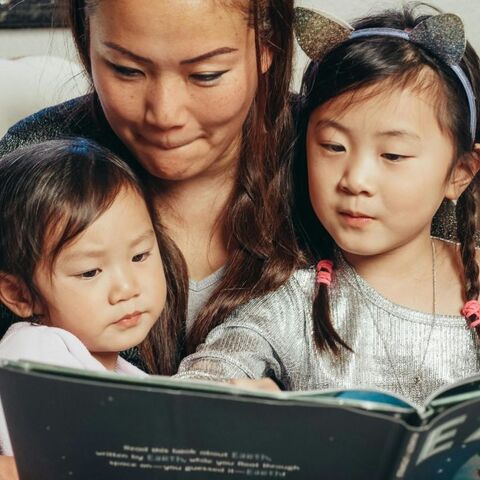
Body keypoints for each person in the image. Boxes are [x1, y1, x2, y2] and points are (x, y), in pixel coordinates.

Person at [176, 5, 480, 406]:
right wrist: (235, 395)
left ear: (459, 173)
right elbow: (202, 377)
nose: (355, 179)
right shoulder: (293, 305)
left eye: (393, 155)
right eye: (333, 147)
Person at [0, 0, 300, 346]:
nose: (165, 114)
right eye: (126, 70)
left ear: (268, 47)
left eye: (206, 75)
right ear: (87, 40)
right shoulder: (26, 161)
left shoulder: (337, 155)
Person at [0, 138, 188, 456]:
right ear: (20, 294)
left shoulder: (121, 373)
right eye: (90, 272)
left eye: (140, 255)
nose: (127, 289)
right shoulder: (31, 352)